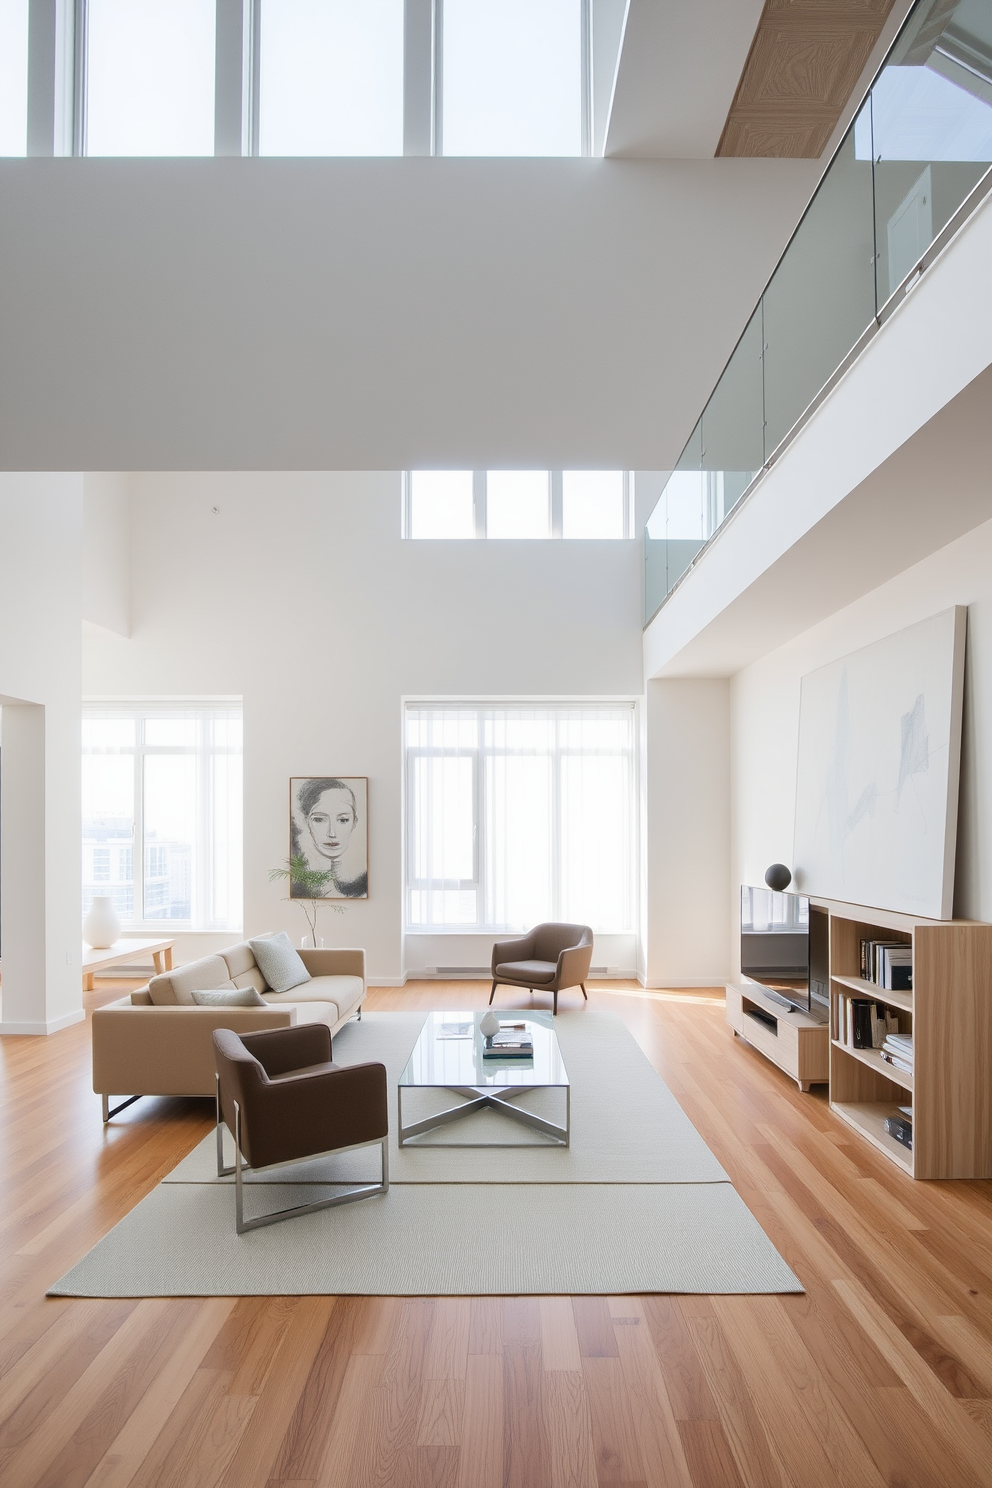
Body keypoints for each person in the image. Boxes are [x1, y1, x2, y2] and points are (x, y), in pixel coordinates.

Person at [291, 778, 368, 898]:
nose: (332, 833)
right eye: (319, 819)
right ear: (306, 822)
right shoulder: (298, 881)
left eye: (343, 820)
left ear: (354, 822)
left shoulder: (362, 884)